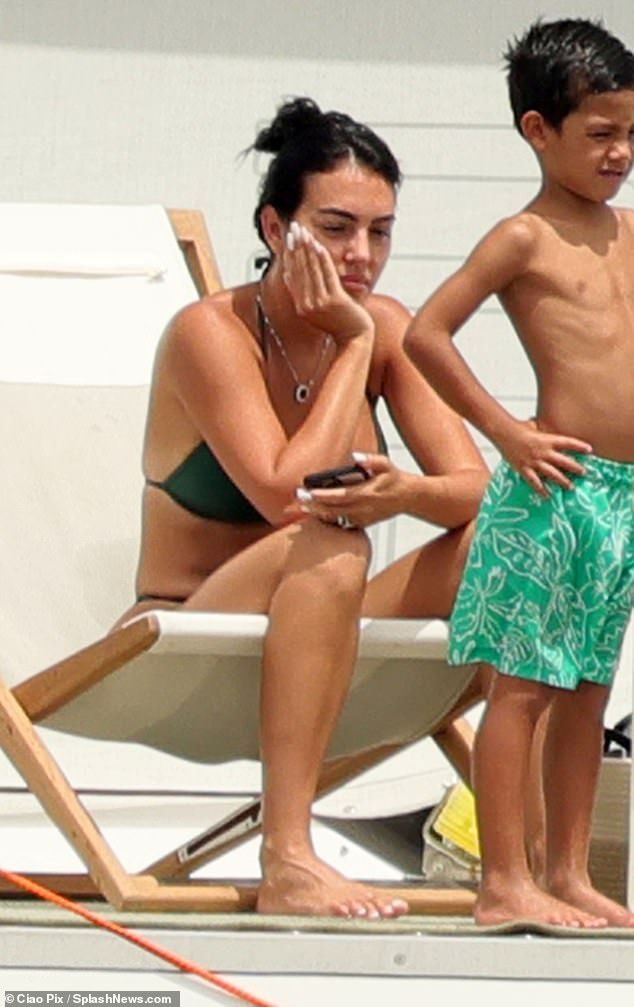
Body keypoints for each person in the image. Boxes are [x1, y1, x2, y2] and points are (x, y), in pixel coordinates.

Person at [120, 97, 488, 918]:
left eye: (381, 232)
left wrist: (407, 492)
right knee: (330, 539)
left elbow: (475, 487)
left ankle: (524, 851)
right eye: (335, 228)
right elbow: (285, 498)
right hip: (191, 637)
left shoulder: (390, 326)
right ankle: (287, 853)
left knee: (506, 541)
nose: (361, 254)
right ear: (274, 227)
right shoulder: (210, 333)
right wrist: (352, 344)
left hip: (324, 637)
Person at [405, 18, 634, 928]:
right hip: (553, 488)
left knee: (588, 688)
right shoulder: (522, 238)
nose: (621, 152)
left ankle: (567, 871)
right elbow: (426, 333)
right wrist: (506, 433)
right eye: (601, 133)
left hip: (621, 496)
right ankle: (504, 878)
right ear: (539, 130)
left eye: (632, 133)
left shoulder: (629, 233)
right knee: (524, 685)